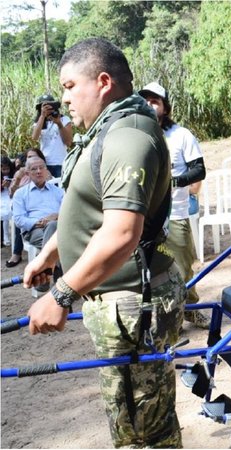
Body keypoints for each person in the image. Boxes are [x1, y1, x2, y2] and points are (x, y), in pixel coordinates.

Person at [23, 38, 185, 448]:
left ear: (103, 81)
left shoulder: (128, 136)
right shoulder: (105, 132)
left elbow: (121, 233)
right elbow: (90, 211)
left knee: (147, 432)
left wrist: (60, 294)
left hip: (133, 303)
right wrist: (48, 253)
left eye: (69, 86)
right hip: (117, 303)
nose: (64, 99)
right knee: (128, 423)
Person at [139, 82, 209, 328]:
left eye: (154, 101)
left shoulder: (181, 135)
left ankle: (191, 308)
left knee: (183, 267)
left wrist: (173, 182)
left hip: (175, 214)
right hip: (143, 220)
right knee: (151, 271)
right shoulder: (137, 135)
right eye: (145, 100)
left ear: (165, 107)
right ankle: (169, 319)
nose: (149, 105)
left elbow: (199, 169)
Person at [6, 149, 51, 268]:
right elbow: (19, 217)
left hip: (54, 225)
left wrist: (56, 217)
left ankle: (43, 269)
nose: (38, 171)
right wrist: (39, 222)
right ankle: (49, 268)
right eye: (28, 158)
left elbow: (65, 211)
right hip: (33, 225)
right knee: (60, 239)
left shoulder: (56, 189)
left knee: (53, 229)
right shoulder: (21, 186)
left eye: (41, 167)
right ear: (28, 171)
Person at [31, 93, 73, 177]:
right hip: (44, 163)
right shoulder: (39, 122)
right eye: (44, 106)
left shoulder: (64, 119)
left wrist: (59, 124)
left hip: (61, 161)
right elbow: (34, 137)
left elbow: (68, 142)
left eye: (50, 106)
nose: (47, 108)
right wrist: (42, 116)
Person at [1, 155, 16, 247]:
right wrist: (2, 186)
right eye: (3, 169)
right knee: (3, 213)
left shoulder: (13, 174)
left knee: (9, 212)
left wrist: (11, 184)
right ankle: (5, 236)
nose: (6, 171)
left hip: (10, 195)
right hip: (2, 196)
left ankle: (8, 236)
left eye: (7, 169)